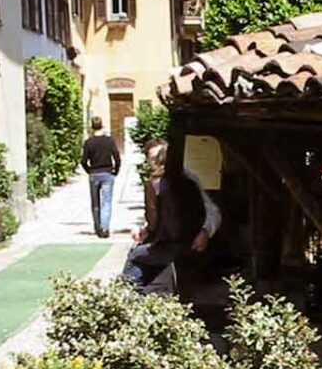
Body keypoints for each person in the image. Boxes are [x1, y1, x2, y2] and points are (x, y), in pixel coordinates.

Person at [122, 140, 222, 291]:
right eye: (152, 158)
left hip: (177, 245)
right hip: (176, 244)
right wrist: (145, 229)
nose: (156, 162)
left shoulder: (164, 182)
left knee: (134, 261)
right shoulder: (175, 181)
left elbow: (211, 211)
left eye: (159, 158)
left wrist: (205, 231)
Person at [81, 116, 120, 238]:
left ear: (92, 127)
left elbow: (83, 161)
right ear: (102, 125)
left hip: (94, 174)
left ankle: (97, 227)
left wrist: (89, 171)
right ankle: (105, 228)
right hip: (107, 173)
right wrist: (115, 171)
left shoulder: (88, 142)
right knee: (106, 202)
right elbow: (117, 157)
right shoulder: (109, 141)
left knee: (95, 203)